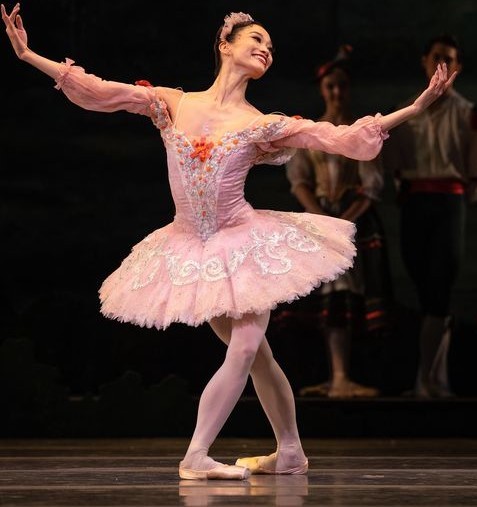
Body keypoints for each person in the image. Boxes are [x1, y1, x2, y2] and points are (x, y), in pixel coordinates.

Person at [2, 4, 456, 480]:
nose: (266, 49)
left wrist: (415, 107)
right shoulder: (174, 103)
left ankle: (196, 455)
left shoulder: (261, 124)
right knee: (258, 357)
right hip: (193, 248)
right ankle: (291, 451)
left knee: (243, 349)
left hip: (243, 247)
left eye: (271, 46)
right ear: (225, 46)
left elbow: (339, 137)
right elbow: (100, 91)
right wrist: (30, 55)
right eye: (256, 39)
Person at [286, 46, 392, 398]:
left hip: (351, 218)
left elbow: (372, 186)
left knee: (346, 292)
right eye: (330, 86)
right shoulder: (310, 132)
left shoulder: (361, 131)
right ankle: (334, 376)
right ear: (322, 89)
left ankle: (343, 375)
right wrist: (319, 217)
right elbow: (299, 180)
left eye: (341, 85)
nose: (336, 92)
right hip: (320, 216)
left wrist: (342, 223)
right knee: (327, 295)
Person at [383, 34, 476, 398]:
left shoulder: (466, 112)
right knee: (425, 288)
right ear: (424, 61)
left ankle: (426, 379)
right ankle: (437, 379)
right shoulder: (406, 111)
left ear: (458, 67)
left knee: (440, 284)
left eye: (449, 59)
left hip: (449, 203)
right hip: (416, 202)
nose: (442, 64)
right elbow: (392, 165)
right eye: (436, 57)